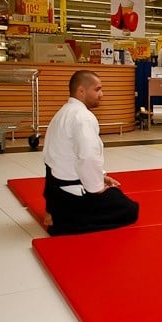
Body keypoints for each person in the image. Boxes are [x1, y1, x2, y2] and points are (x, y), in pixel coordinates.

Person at [42, 70, 139, 235]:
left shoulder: (63, 113)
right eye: (97, 89)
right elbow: (87, 157)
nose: (101, 94)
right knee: (130, 209)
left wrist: (101, 176)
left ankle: (55, 211)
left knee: (114, 193)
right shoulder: (83, 117)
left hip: (54, 190)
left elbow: (59, 157)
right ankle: (65, 220)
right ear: (81, 91)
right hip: (69, 194)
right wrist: (97, 187)